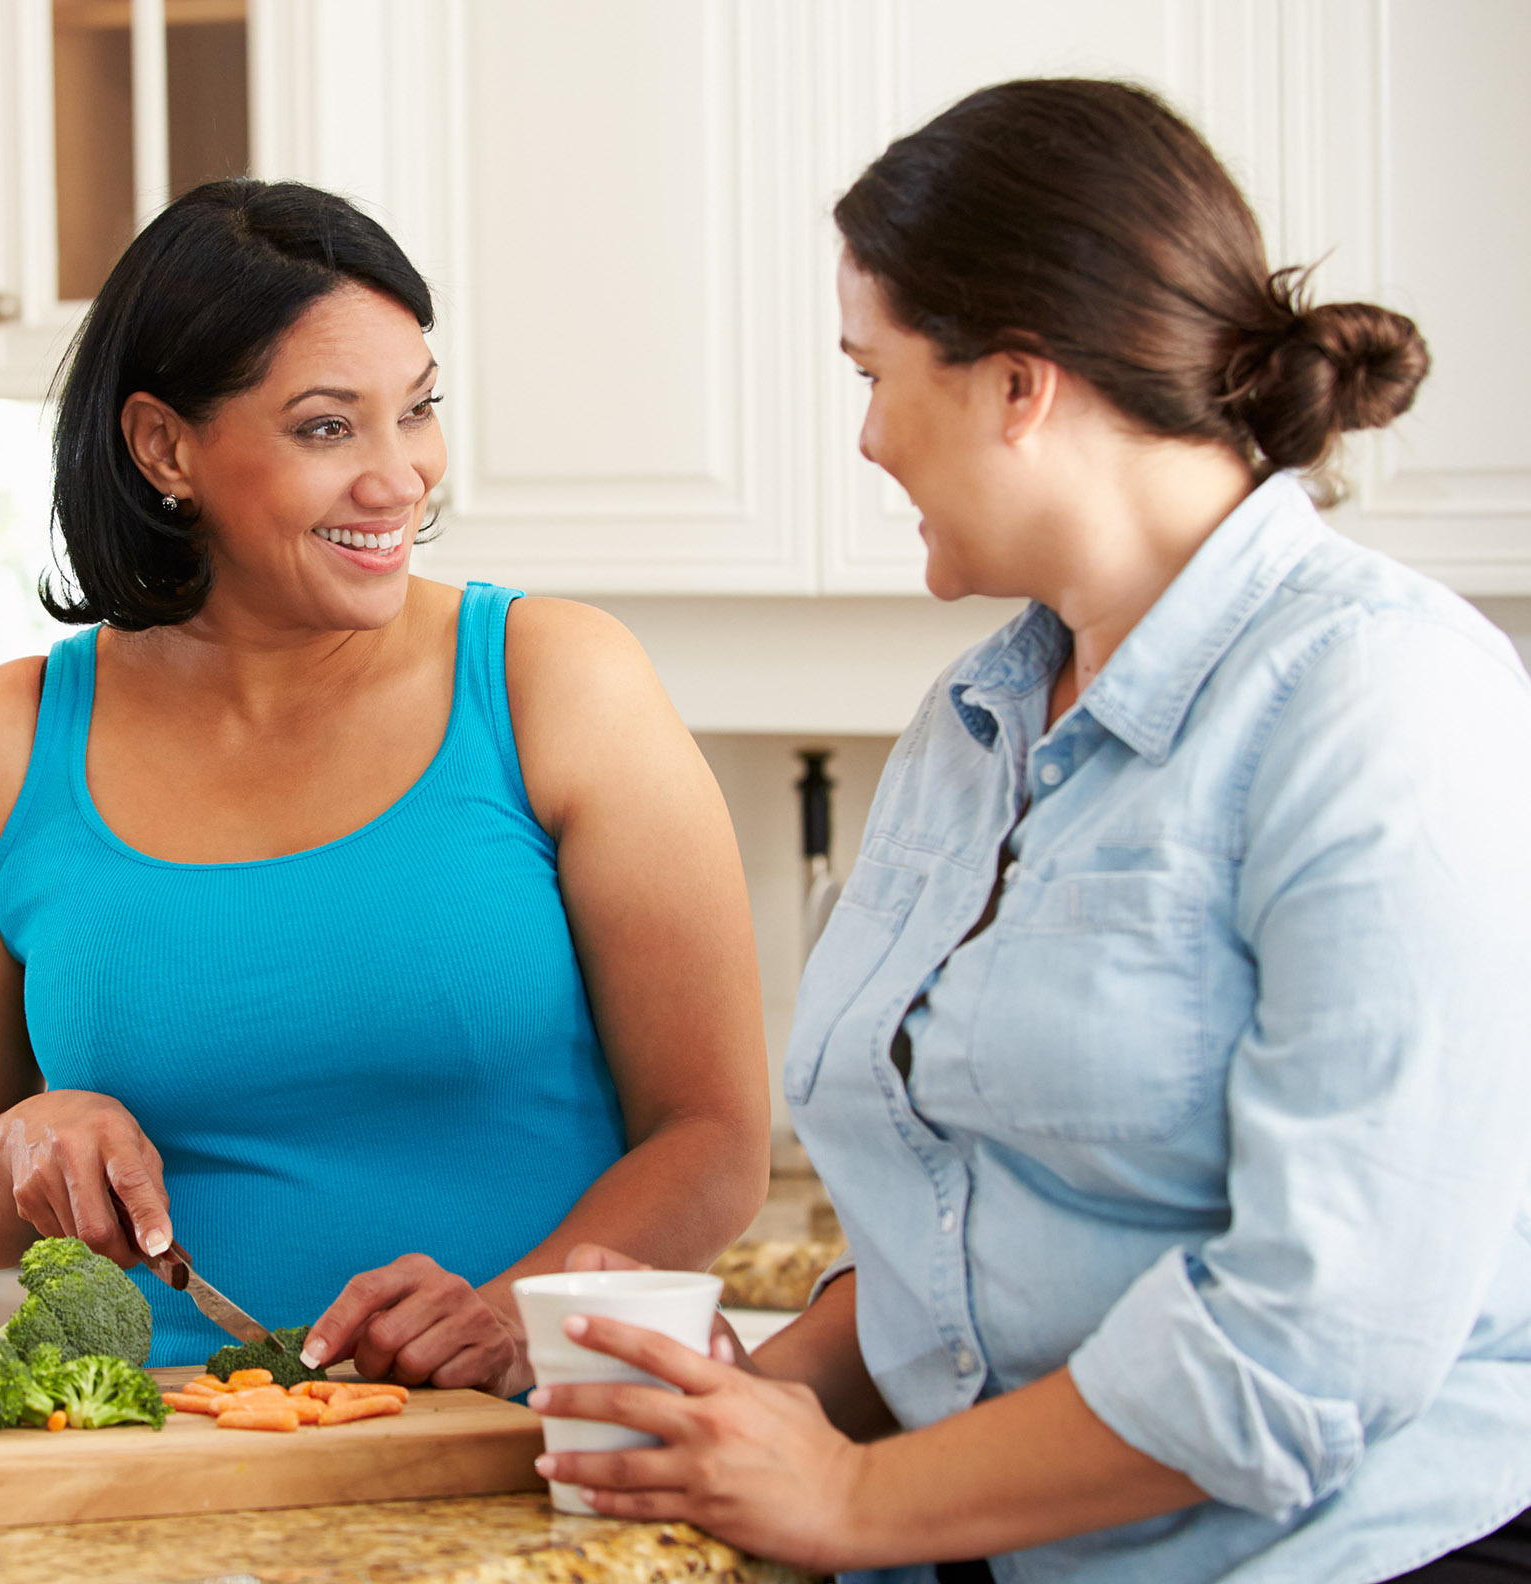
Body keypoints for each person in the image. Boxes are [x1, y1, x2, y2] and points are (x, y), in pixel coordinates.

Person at [525, 79, 1531, 1582]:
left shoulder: (1385, 696)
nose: (865, 438)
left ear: (1019, 382)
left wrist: (856, 1504)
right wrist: (741, 1403)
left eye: (874, 372)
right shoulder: (977, 719)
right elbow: (959, 1233)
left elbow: (1324, 1335)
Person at [0, 178, 770, 1388]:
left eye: (417, 412)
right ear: (165, 445)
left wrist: (506, 1311)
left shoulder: (553, 686)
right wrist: (18, 1141)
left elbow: (715, 1141)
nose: (400, 478)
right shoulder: (0, 746)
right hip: (164, 1470)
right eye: (328, 427)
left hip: (517, 1445)